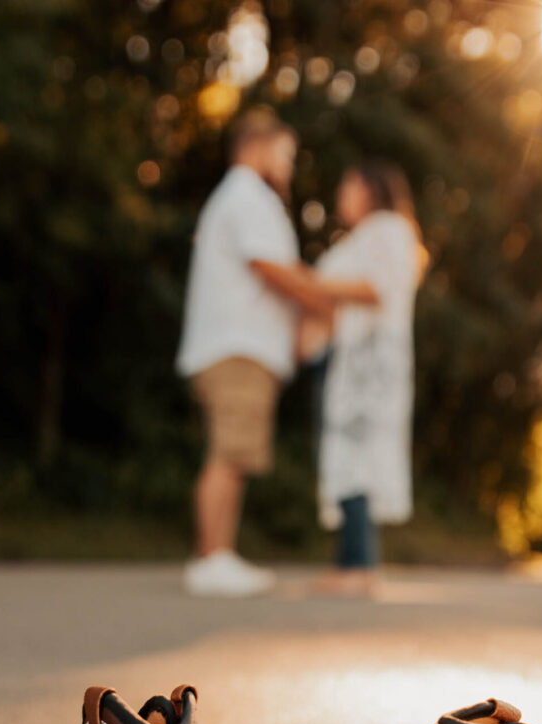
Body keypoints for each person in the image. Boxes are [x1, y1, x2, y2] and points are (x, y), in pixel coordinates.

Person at [176, 108, 375, 597]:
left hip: (240, 347)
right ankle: (211, 558)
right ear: (258, 147)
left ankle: (217, 555)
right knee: (228, 453)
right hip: (237, 347)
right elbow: (274, 270)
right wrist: (330, 301)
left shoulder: (242, 199)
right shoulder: (247, 196)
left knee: (234, 453)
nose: (288, 164)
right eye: (285, 153)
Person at [300, 161, 426, 596]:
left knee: (356, 458)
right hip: (351, 361)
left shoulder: (389, 230)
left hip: (371, 366)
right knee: (346, 458)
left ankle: (360, 566)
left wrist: (312, 287)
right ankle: (352, 563)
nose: (341, 196)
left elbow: (375, 289)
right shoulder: (366, 238)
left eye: (348, 187)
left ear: (370, 190)